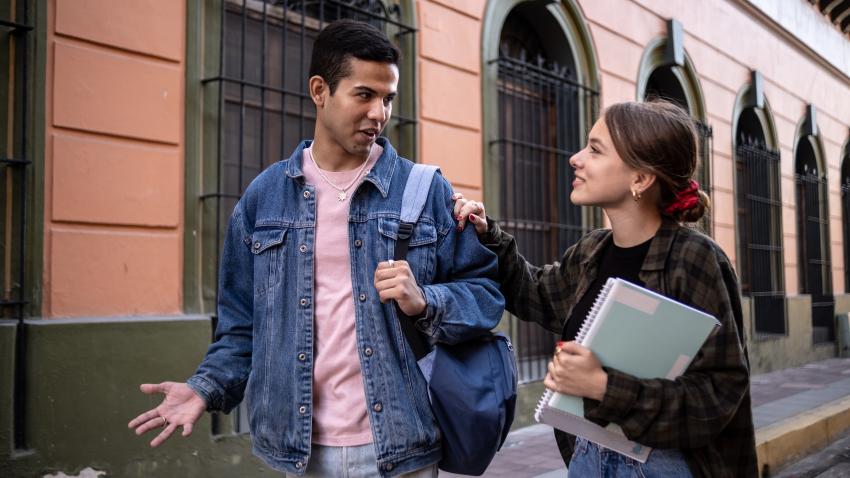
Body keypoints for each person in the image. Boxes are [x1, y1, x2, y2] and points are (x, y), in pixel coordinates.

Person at [128, 19, 504, 477]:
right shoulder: (264, 199)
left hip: (401, 447)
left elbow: (485, 297)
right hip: (299, 451)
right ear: (320, 89)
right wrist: (205, 388)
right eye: (364, 95)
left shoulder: (424, 191)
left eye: (388, 99)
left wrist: (427, 300)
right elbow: (243, 328)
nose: (379, 113)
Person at [453, 100, 758, 477]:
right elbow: (533, 293)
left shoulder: (695, 259)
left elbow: (720, 394)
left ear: (641, 179)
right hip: (588, 457)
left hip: (665, 466)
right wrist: (489, 235)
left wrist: (602, 387)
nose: (576, 158)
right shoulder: (592, 252)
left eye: (595, 150)